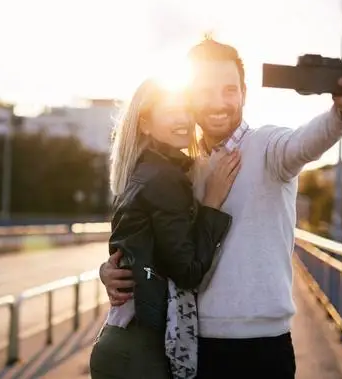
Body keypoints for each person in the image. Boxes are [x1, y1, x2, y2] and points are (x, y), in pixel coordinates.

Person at [99, 37, 342, 379]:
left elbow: (305, 142)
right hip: (197, 347)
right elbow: (161, 242)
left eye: (230, 89)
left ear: (244, 93)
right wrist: (114, 269)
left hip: (264, 348)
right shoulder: (187, 171)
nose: (219, 102)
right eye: (206, 90)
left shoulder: (270, 147)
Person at [89, 78, 239, 379]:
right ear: (145, 124)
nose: (183, 119)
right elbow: (187, 272)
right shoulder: (165, 178)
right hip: (140, 351)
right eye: (171, 110)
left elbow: (135, 252)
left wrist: (107, 270)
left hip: (120, 340)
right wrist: (211, 205)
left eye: (186, 109)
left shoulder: (142, 172)